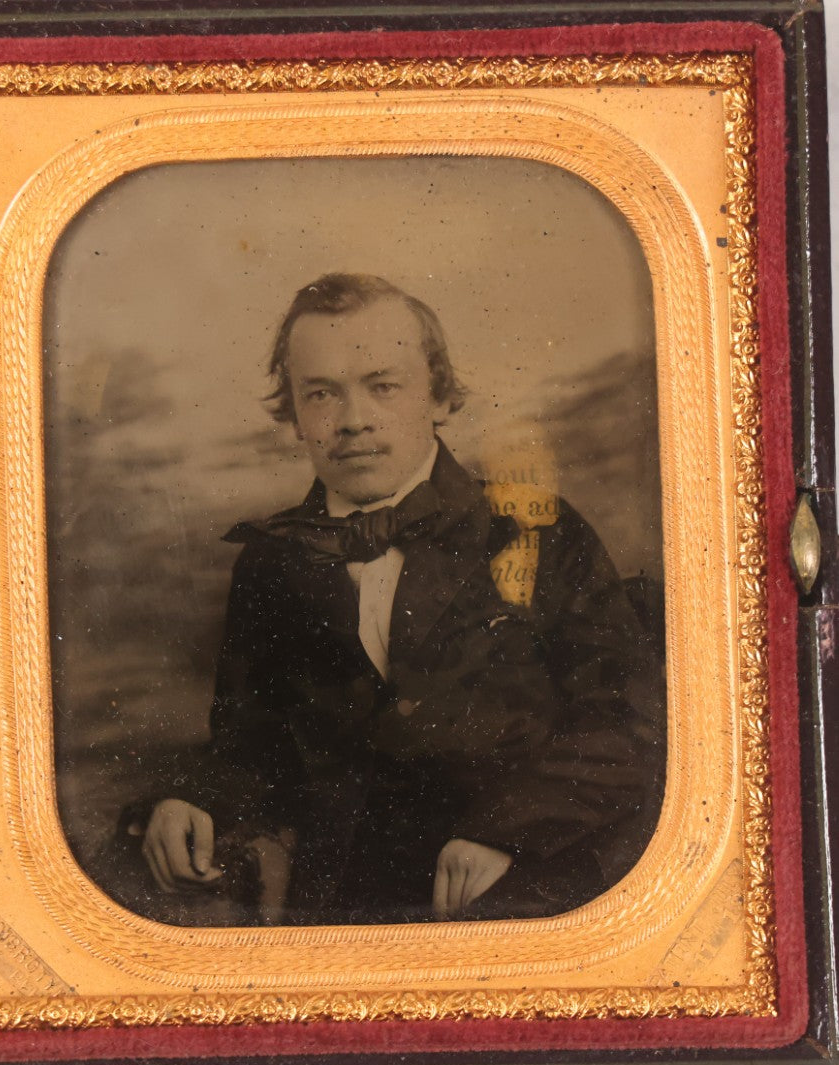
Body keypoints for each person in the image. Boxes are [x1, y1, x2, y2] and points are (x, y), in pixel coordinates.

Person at [137, 273, 663, 926]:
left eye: (382, 386)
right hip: (341, 910)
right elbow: (251, 747)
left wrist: (508, 831)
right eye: (321, 394)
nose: (353, 421)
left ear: (437, 396)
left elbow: (627, 720)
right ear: (295, 416)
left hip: (526, 887)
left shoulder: (537, 530)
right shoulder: (272, 563)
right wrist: (196, 801)